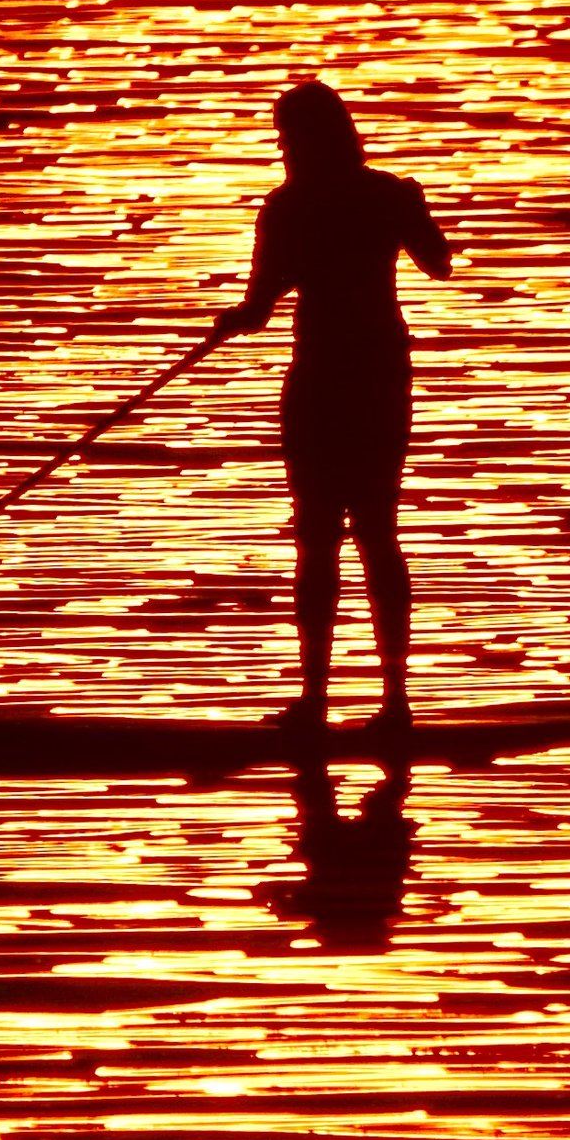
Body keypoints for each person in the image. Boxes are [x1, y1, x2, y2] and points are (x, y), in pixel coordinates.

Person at [217, 79, 452, 744]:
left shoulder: (289, 207)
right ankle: (393, 701)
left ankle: (318, 700)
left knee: (321, 537)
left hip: (324, 381)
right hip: (379, 377)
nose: (285, 148)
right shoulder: (387, 195)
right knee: (375, 533)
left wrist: (234, 316)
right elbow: (439, 264)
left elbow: (259, 309)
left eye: (288, 137)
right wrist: (413, 216)